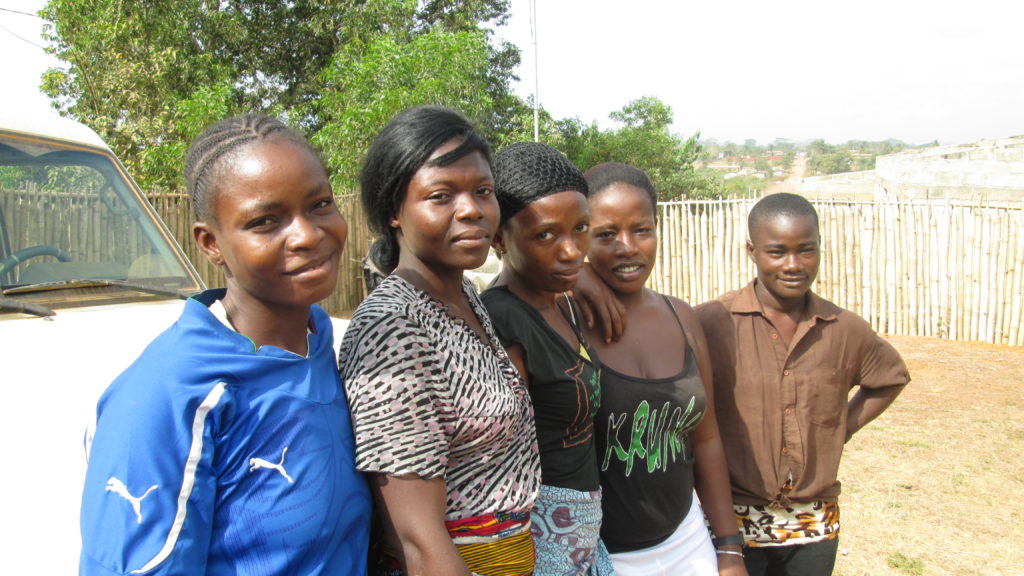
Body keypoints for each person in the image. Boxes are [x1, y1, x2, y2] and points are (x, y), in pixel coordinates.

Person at [79, 114, 372, 574]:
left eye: (319, 205)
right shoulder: (171, 393)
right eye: (265, 221)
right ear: (210, 242)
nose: (308, 235)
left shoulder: (320, 346)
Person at [338, 105, 541, 576]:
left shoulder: (462, 296)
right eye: (441, 195)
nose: (472, 209)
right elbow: (416, 538)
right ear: (394, 211)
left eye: (483, 192)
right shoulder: (394, 328)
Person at [695, 192, 910, 576]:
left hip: (814, 524)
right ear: (752, 250)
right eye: (777, 252)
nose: (793, 265)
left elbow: (889, 378)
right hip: (731, 522)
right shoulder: (711, 324)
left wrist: (841, 427)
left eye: (806, 250)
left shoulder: (845, 329)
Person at [579, 162, 747, 576]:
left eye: (642, 229)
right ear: (581, 235)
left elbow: (705, 439)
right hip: (602, 557)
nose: (627, 247)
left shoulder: (682, 317)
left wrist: (729, 548)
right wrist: (574, 278)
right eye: (605, 234)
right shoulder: (564, 321)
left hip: (687, 542)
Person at [480, 142, 614, 575]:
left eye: (580, 228)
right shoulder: (504, 322)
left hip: (582, 532)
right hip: (540, 538)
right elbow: (501, 461)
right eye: (545, 235)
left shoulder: (562, 302)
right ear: (499, 237)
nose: (572, 250)